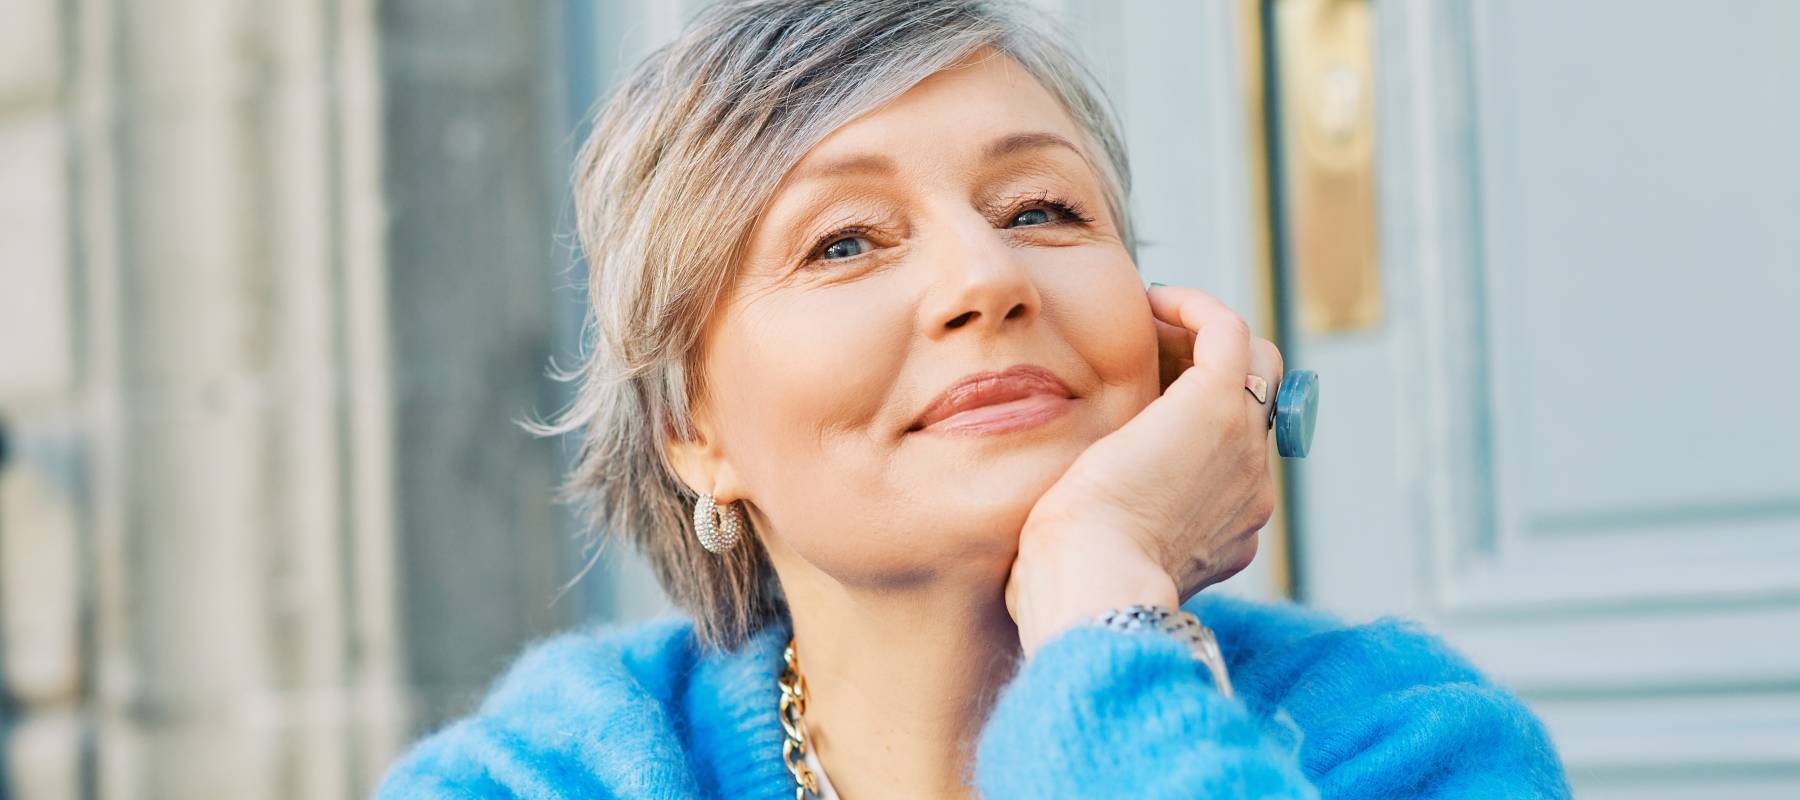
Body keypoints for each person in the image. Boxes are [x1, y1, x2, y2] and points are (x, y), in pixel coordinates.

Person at [377, 1, 1571, 797]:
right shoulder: (551, 770)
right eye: (845, 241)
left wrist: (1104, 596)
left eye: (1040, 210)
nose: (986, 278)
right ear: (691, 429)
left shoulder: (1405, 742)